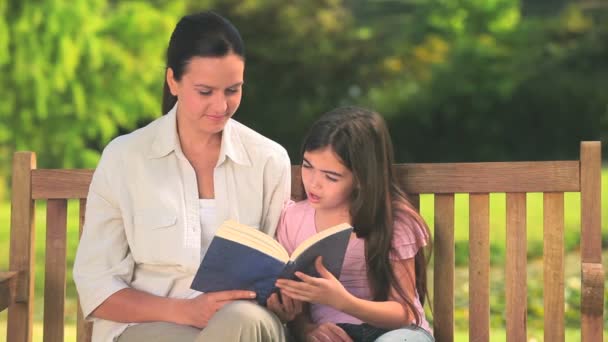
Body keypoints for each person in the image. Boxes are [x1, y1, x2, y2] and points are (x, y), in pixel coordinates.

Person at [73, 11, 292, 342]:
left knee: (243, 321)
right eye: (205, 91)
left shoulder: (268, 160)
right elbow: (96, 285)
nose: (221, 105)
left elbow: (278, 269)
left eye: (233, 90)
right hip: (150, 327)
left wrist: (288, 299)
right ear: (173, 81)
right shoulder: (125, 158)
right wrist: (186, 312)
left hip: (241, 325)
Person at [272, 106, 434, 342]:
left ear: (361, 178)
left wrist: (343, 302)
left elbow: (404, 312)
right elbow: (298, 308)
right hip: (331, 334)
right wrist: (306, 330)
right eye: (307, 166)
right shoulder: (293, 218)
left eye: (331, 176)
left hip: (395, 333)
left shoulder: (394, 220)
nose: (314, 184)